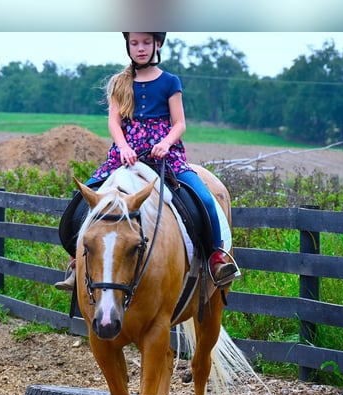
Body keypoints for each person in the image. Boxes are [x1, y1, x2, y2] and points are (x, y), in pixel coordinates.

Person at [55, 32, 239, 291]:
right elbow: (114, 122)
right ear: (128, 46)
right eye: (134, 43)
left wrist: (165, 143)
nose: (140, 48)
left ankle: (216, 258)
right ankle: (78, 263)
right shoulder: (120, 83)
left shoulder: (170, 82)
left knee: (205, 199)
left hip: (164, 155)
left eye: (145, 43)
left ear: (158, 44)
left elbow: (180, 123)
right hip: (126, 154)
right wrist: (123, 147)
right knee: (82, 203)